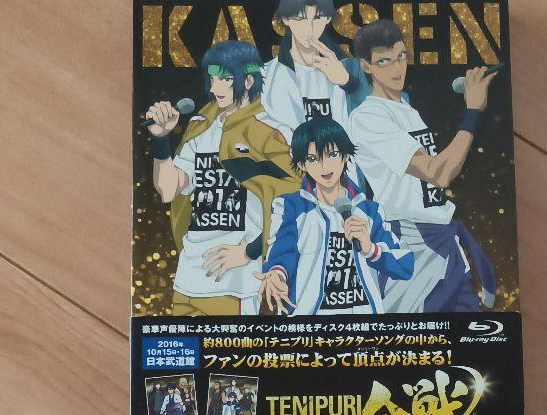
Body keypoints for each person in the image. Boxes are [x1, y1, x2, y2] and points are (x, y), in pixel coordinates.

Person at [348, 19, 499, 313]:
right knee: (408, 337)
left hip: (444, 238)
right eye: (384, 61)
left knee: (468, 333)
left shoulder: (405, 109)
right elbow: (438, 173)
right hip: (411, 241)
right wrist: (472, 112)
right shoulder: (367, 117)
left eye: (401, 56)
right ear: (366, 66)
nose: (396, 68)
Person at [145, 40, 298, 316]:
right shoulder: (201, 128)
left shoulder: (271, 132)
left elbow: (297, 203)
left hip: (239, 284)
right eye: (213, 79)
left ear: (248, 80)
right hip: (189, 279)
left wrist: (251, 251)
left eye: (226, 79)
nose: (216, 88)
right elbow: (168, 189)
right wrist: (161, 140)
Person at [255, 116, 412, 316]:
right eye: (313, 159)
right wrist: (276, 275)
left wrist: (369, 248)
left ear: (345, 155)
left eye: (332, 154)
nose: (324, 166)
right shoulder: (291, 207)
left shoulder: (369, 211)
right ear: (302, 164)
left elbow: (404, 265)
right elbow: (282, 252)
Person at [260, 0, 366, 142]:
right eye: (300, 18)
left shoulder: (351, 69)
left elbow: (374, 119)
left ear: (328, 18)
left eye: (318, 17)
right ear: (286, 19)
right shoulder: (266, 75)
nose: (309, 28)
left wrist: (347, 82)